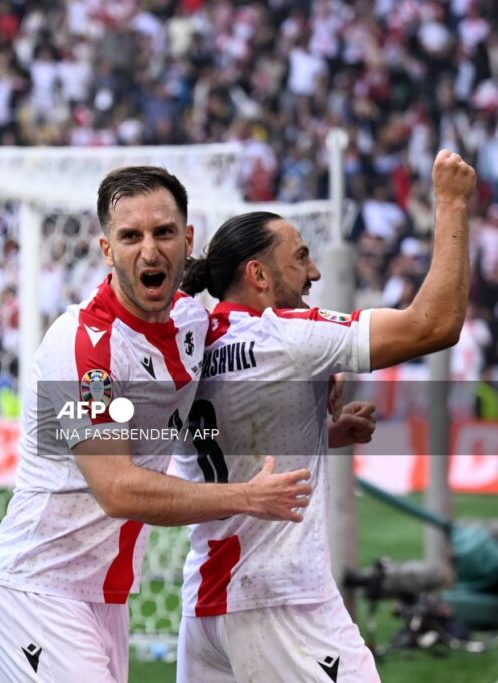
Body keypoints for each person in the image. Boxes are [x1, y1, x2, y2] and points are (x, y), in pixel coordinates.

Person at [0, 166, 314, 683]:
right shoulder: (84, 348)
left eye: (163, 233)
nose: (149, 250)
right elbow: (119, 489)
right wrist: (247, 497)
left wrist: (319, 398)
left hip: (104, 598)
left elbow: (227, 393)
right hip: (35, 592)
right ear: (107, 250)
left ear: (187, 239)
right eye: (130, 236)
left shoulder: (191, 322)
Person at [173, 149, 476, 682]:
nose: (313, 272)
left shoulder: (193, 340)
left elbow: (219, 437)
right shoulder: (284, 335)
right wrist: (451, 204)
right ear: (258, 275)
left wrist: (318, 429)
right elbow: (434, 325)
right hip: (281, 599)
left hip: (206, 608)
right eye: (301, 257)